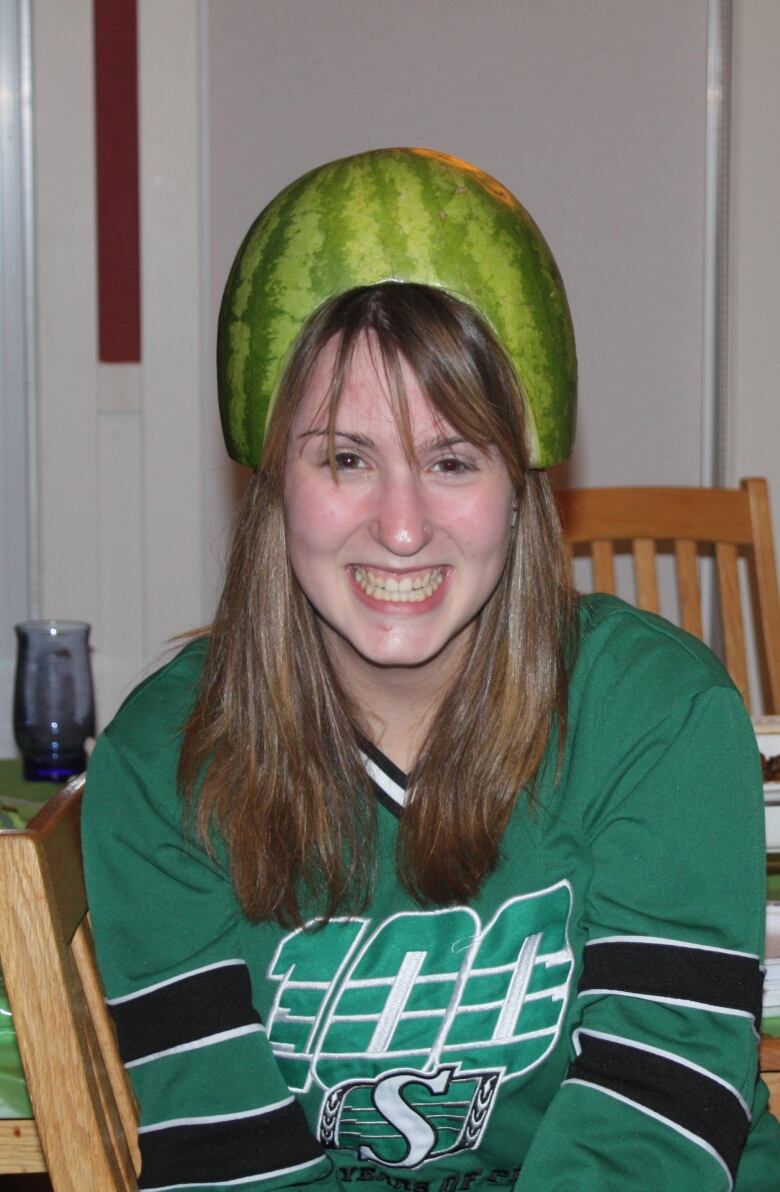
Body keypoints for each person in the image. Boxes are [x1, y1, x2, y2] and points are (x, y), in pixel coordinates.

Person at [83, 148, 780, 1192]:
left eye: (453, 459)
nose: (401, 528)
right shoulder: (161, 766)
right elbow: (225, 1159)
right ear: (274, 478)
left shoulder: (662, 717)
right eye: (345, 457)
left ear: (520, 485)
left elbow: (656, 1122)